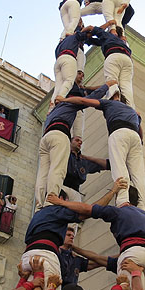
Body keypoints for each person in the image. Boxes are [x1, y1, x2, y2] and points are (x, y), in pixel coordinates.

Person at [48, 185, 145, 290]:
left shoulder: (119, 211)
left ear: (119, 197)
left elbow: (88, 209)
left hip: (133, 255)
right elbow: (99, 259)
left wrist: (61, 203)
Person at [57, 82, 145, 208]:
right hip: (135, 137)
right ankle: (142, 206)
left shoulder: (109, 103)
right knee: (138, 174)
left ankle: (122, 200)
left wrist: (64, 100)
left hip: (119, 132)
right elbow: (140, 131)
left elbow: (83, 101)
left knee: (119, 167)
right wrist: (139, 142)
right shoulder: (132, 111)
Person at [23, 178, 126, 283]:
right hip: (44, 256)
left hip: (28, 258)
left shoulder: (38, 216)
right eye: (68, 234)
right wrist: (112, 191)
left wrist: (124, 253)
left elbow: (97, 260)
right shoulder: (56, 211)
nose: (72, 236)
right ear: (60, 198)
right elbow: (89, 209)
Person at [36, 79, 115, 209]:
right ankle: (51, 200)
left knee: (43, 173)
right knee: (57, 169)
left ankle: (39, 204)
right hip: (59, 134)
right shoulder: (69, 103)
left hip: (46, 138)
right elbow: (89, 99)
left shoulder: (53, 111)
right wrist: (107, 86)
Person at [86, 25, 135, 107]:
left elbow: (91, 28)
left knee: (112, 80)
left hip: (114, 55)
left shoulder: (108, 36)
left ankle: (115, 100)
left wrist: (109, 23)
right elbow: (94, 41)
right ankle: (130, 107)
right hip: (127, 60)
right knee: (126, 85)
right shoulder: (123, 42)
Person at [62, 135, 110, 202]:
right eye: (77, 140)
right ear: (70, 142)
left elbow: (108, 164)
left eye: (81, 142)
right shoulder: (63, 154)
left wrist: (87, 157)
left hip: (75, 192)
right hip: (61, 186)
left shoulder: (84, 162)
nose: (79, 143)